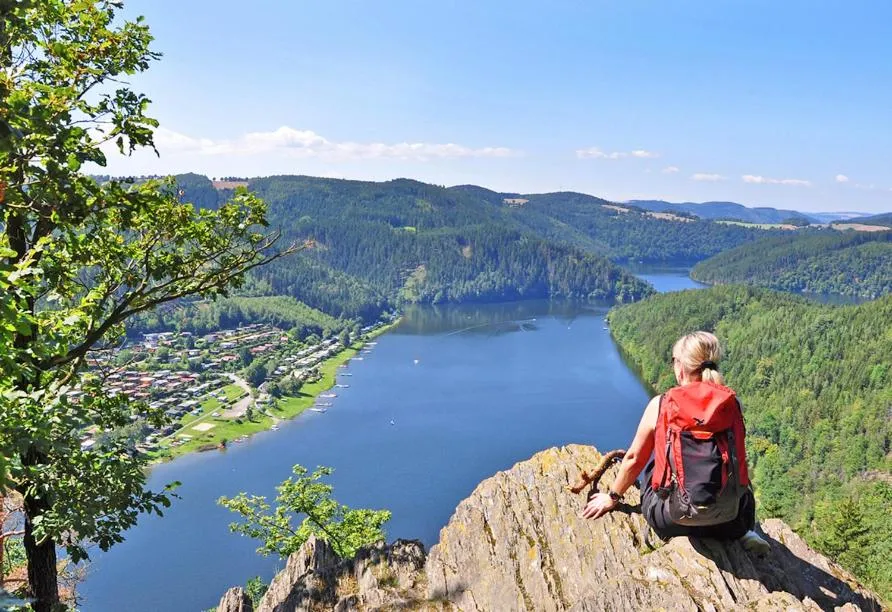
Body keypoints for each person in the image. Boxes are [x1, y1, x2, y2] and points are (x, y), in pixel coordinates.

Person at [582, 331, 770, 554]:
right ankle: (745, 533)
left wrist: (612, 497)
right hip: (730, 519)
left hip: (673, 519)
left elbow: (634, 459)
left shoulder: (661, 404)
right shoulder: (731, 403)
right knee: (741, 488)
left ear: (680, 366)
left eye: (674, 361)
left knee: (651, 467)